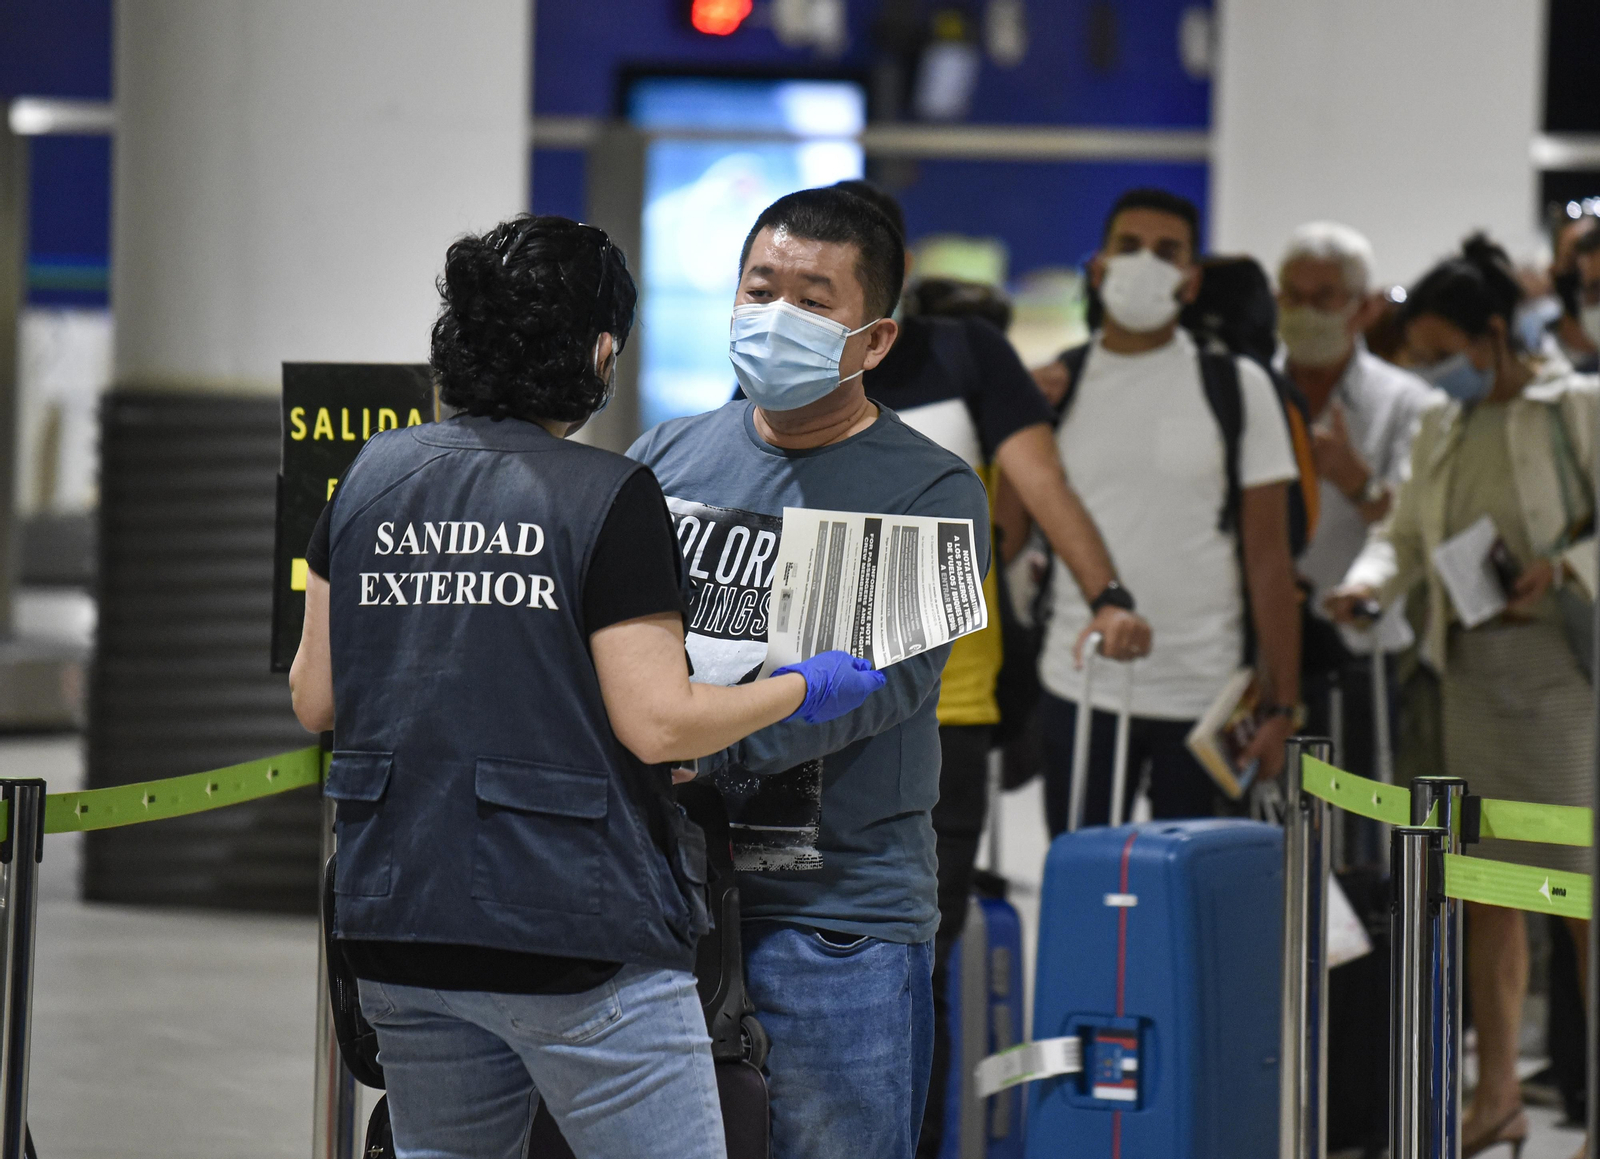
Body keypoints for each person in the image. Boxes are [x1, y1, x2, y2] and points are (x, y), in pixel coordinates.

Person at [287, 214, 886, 1159]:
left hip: (399, 917)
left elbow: (315, 699)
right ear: (601, 349)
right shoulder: (605, 494)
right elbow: (660, 723)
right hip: (569, 928)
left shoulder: (369, 478)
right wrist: (798, 688)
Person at [628, 186, 992, 1159]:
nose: (775, 317)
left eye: (813, 299)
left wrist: (692, 736)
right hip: (663, 901)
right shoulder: (662, 458)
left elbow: (890, 678)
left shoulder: (930, 486)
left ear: (874, 339)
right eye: (761, 289)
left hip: (836, 920)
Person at [829, 178, 1152, 1159]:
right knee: (806, 943)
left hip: (946, 701)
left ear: (894, 271)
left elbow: (1041, 483)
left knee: (922, 946)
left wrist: (1106, 593)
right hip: (805, 702)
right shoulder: (785, 367)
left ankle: (912, 1143)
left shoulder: (964, 355)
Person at [1329, 233, 1598, 1159]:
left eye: (1446, 351)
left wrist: (1565, 565)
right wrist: (1369, 583)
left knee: (1580, 900)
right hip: (1471, 676)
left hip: (1566, 681)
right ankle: (1497, 1098)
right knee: (1490, 894)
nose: (1434, 371)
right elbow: (1405, 532)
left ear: (1493, 334)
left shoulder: (1581, 407)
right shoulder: (1444, 423)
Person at [1030, 188, 1303, 834]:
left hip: (1206, 696)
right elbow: (1012, 530)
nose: (1145, 262)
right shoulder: (1056, 387)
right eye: (1129, 247)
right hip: (1082, 685)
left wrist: (1283, 705)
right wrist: (1022, 411)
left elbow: (1269, 557)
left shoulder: (1239, 385)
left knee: (1196, 912)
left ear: (1191, 280)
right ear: (1098, 268)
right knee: (1086, 895)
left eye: (1166, 251)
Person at [1276, 222, 1436, 793]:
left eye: (1324, 299)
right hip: (1264, 642)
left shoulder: (1410, 402)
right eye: (1292, 296)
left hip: (1358, 643)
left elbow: (1414, 526)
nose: (1304, 313)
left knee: (1360, 835)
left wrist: (1353, 477)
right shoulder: (1254, 390)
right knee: (1259, 825)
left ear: (1365, 308)